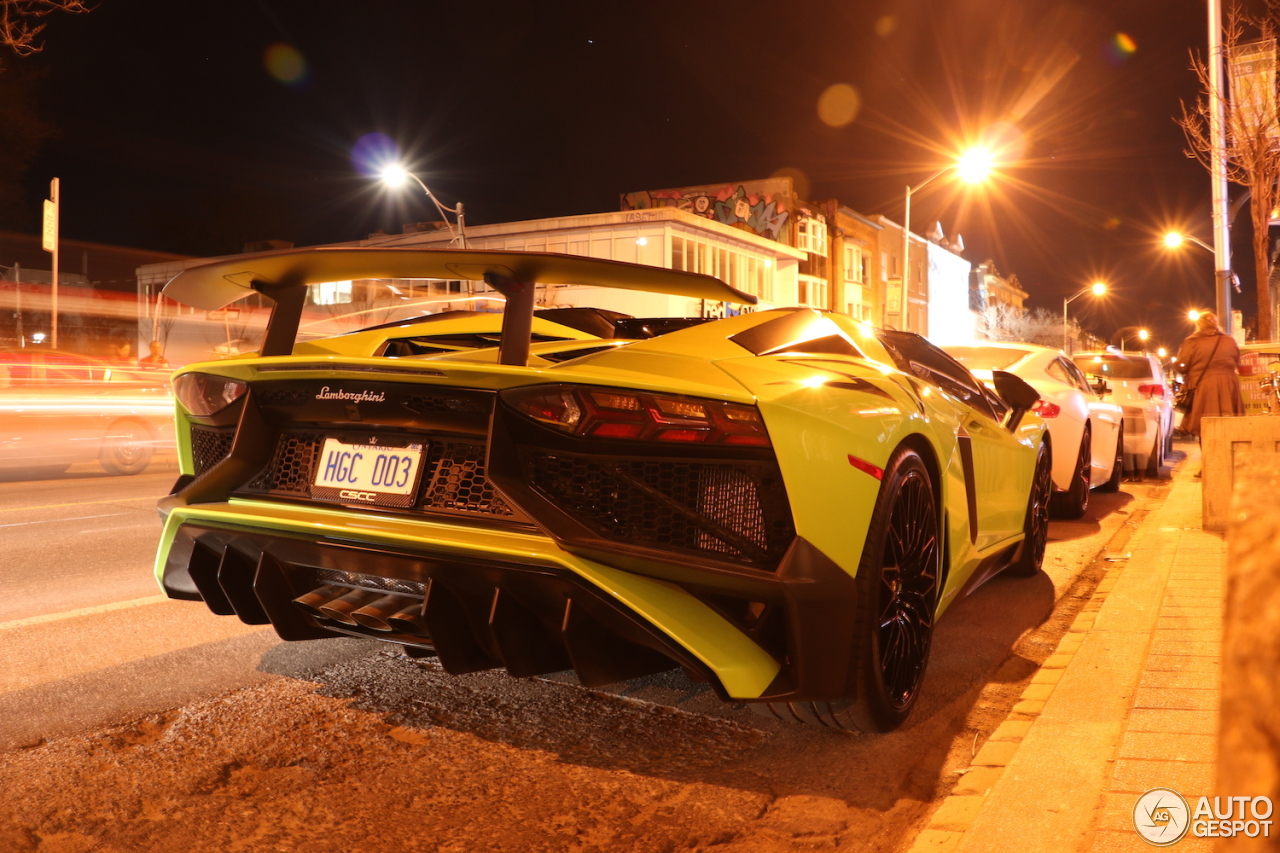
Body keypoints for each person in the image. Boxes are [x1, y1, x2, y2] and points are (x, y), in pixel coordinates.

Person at [1175, 311, 1244, 439]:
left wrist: (1179, 367)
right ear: (1216, 323)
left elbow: (1182, 364)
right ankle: (1227, 452)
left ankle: (1209, 452)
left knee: (1205, 424)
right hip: (1228, 386)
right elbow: (1237, 361)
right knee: (1228, 423)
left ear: (1199, 324)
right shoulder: (1229, 340)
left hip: (1203, 386)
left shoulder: (1192, 341)